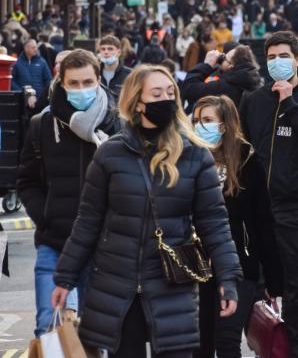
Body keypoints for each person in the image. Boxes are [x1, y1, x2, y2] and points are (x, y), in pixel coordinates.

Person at [51, 65, 242, 357]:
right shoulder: (110, 154)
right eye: (156, 93)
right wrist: (65, 277)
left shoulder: (194, 155)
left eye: (170, 92)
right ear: (137, 102)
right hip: (117, 288)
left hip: (172, 284)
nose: (165, 99)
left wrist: (228, 278)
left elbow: (214, 222)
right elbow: (88, 221)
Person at [240, 31, 298, 358]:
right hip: (259, 213)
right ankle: (265, 348)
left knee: (297, 295)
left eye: (283, 56)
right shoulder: (254, 100)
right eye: (270, 57)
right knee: (256, 292)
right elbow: (242, 150)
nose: (277, 62)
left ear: (297, 58)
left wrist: (290, 103)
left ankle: (293, 352)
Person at [17, 49, 121, 338]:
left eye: (87, 82)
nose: (81, 89)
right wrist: (46, 215)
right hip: (55, 241)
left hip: (104, 245)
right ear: (61, 83)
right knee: (49, 331)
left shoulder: (117, 125)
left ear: (99, 80)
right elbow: (26, 181)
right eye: (73, 84)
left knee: (98, 334)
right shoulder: (42, 125)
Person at [192, 95, 283, 358]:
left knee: (227, 339)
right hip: (197, 265)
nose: (200, 126)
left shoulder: (247, 161)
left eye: (207, 120)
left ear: (225, 124)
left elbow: (263, 223)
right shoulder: (189, 159)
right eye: (197, 120)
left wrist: (273, 280)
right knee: (201, 342)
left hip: (240, 266)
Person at [182, 45, 262, 110]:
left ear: (231, 65)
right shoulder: (251, 81)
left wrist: (207, 65)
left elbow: (189, 89)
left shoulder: (226, 87)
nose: (221, 60)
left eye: (224, 58)